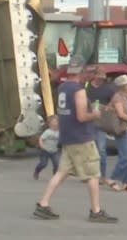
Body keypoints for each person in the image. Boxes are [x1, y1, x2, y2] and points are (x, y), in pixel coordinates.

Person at [33, 64, 118, 223]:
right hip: (81, 137)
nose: (90, 76)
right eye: (88, 73)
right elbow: (81, 116)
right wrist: (95, 114)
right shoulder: (79, 91)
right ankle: (96, 210)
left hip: (67, 135)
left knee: (62, 172)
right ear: (81, 73)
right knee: (92, 173)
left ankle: (43, 204)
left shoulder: (63, 88)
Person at [86, 67, 117, 186]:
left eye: (103, 78)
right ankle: (89, 175)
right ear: (94, 76)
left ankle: (102, 176)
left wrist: (109, 106)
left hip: (101, 122)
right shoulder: (86, 87)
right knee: (88, 149)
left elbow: (114, 99)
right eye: (99, 77)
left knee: (102, 150)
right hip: (87, 121)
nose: (101, 80)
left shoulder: (108, 88)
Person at [34, 115, 60, 180]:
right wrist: (41, 145)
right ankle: (37, 171)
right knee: (43, 164)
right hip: (45, 151)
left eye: (56, 122)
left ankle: (55, 175)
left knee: (56, 163)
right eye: (53, 122)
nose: (55, 124)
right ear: (49, 124)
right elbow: (41, 139)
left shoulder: (60, 132)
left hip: (54, 151)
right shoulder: (47, 132)